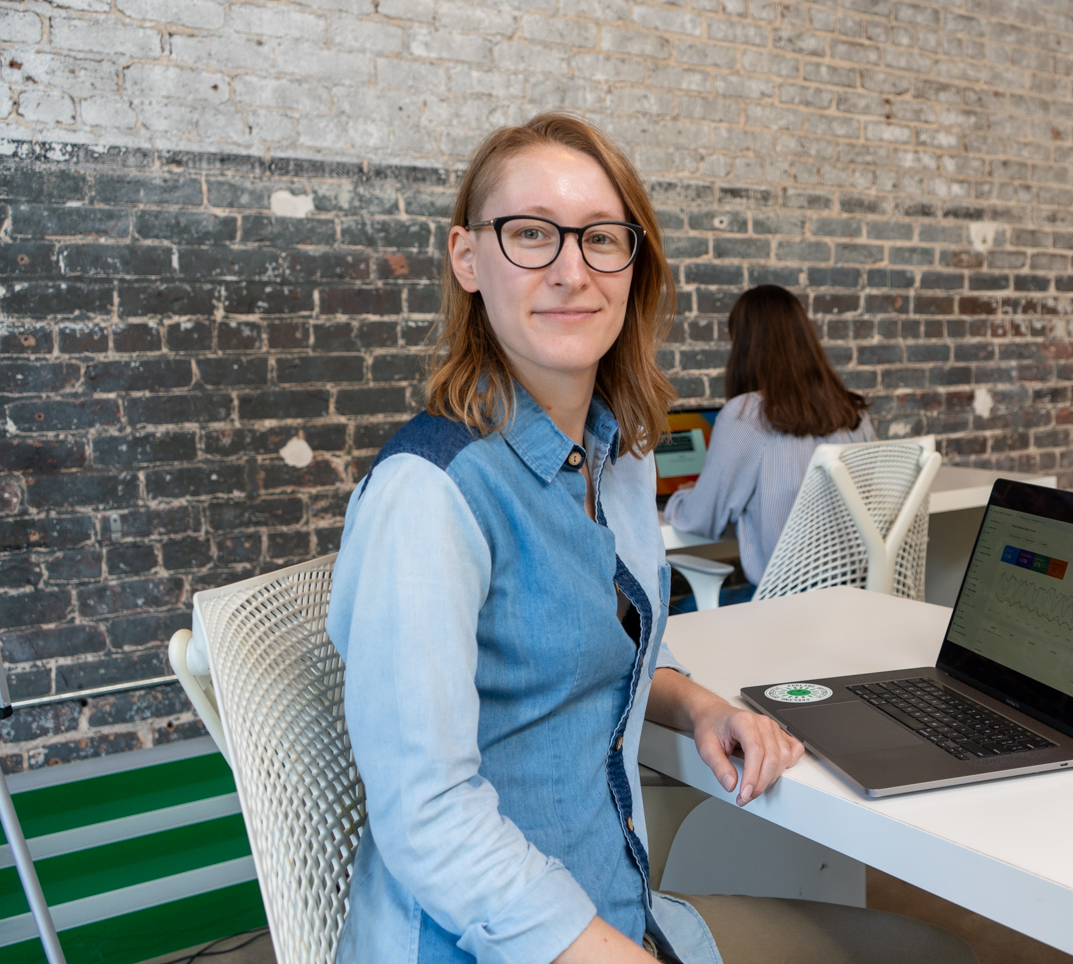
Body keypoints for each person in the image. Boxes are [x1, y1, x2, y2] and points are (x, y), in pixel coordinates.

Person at [326, 113, 974, 964]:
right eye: (530, 235)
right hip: (506, 945)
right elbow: (426, 814)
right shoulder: (431, 492)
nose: (571, 270)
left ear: (635, 266)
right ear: (467, 257)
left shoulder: (616, 455)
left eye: (602, 239)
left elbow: (591, 640)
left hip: (621, 906)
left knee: (932, 951)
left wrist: (697, 702)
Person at [663, 285, 875, 604]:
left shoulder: (749, 415)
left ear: (744, 346)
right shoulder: (854, 413)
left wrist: (676, 499)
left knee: (658, 618)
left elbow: (700, 520)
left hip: (780, 610)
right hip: (850, 602)